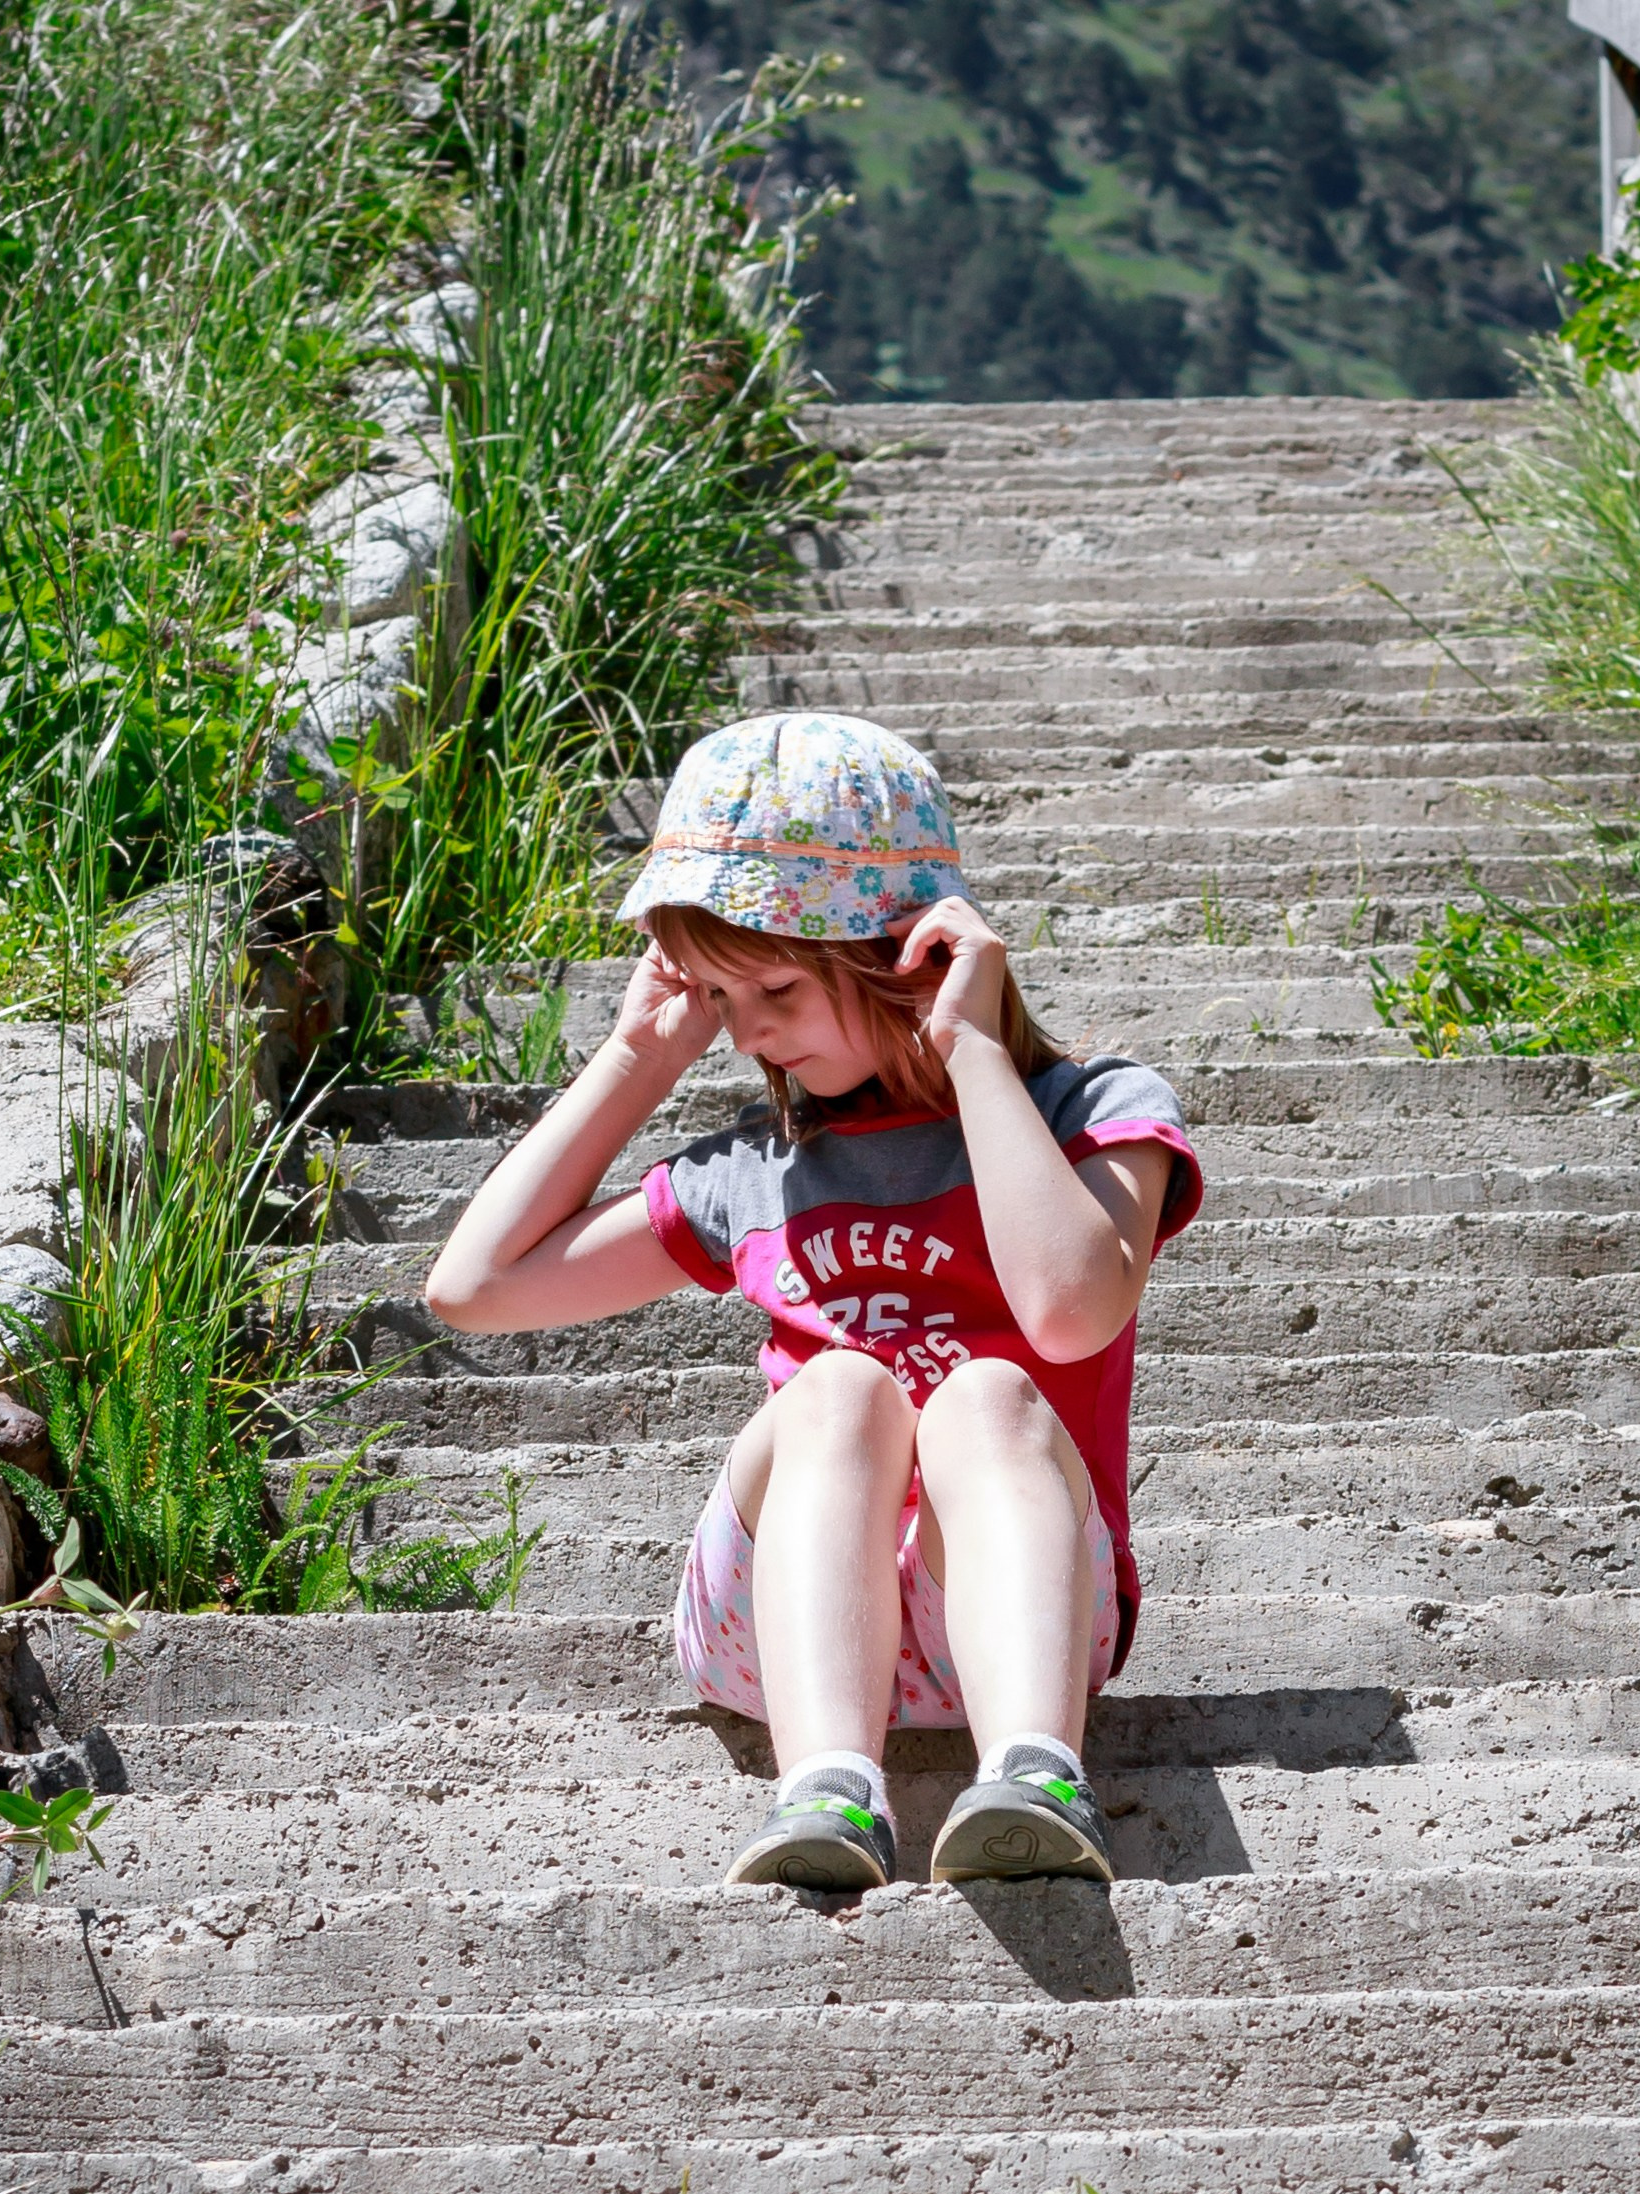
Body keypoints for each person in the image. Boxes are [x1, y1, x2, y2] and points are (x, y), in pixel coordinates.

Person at [424, 710, 1201, 1894]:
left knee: (987, 1394)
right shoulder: (754, 1170)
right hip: (782, 1626)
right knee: (840, 1389)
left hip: (1021, 1618)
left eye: (774, 985)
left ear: (912, 949)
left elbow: (1066, 1316)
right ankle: (827, 1786)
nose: (744, 1031)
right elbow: (472, 1289)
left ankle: (1036, 1775)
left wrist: (977, 1051)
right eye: (719, 996)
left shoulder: (1086, 1111)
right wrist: (638, 1057)